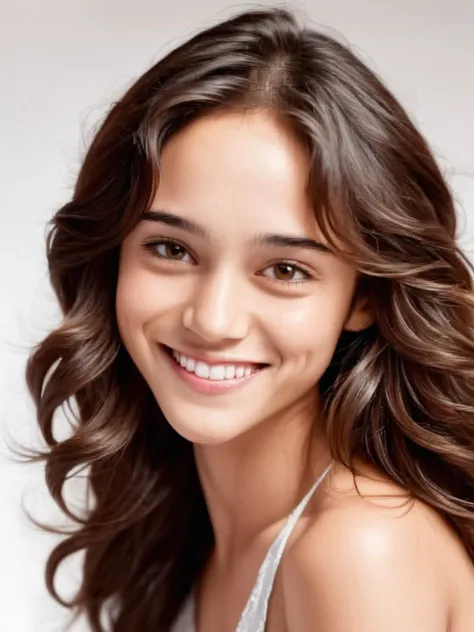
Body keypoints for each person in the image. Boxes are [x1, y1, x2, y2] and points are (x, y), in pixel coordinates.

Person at [23, 6, 474, 632]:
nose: (213, 319)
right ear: (113, 254)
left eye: (285, 270)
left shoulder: (360, 553)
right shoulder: (182, 530)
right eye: (172, 249)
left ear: (363, 296)